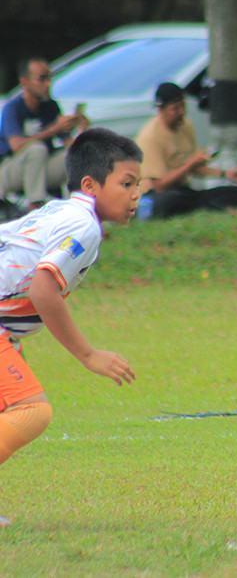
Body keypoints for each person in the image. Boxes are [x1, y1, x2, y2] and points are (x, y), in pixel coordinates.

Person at [0, 128, 141, 527]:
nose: (135, 195)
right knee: (31, 411)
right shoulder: (83, 226)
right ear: (90, 185)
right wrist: (88, 355)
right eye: (126, 184)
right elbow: (44, 290)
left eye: (139, 185)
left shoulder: (60, 211)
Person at [135, 83, 237, 219]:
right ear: (161, 110)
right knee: (170, 201)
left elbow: (195, 168)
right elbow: (160, 186)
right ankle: (207, 207)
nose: (181, 112)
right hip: (158, 195)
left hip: (185, 192)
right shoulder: (149, 137)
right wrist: (191, 164)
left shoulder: (185, 125)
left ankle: (201, 207)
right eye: (175, 109)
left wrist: (226, 174)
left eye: (183, 106)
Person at [0, 58, 90, 211]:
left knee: (74, 154)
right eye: (42, 79)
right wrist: (54, 129)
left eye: (49, 78)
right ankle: (36, 206)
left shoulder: (51, 107)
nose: (48, 84)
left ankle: (78, 209)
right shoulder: (13, 109)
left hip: (39, 171)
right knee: (36, 149)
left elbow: (69, 143)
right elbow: (16, 146)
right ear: (25, 82)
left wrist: (82, 131)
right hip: (10, 171)